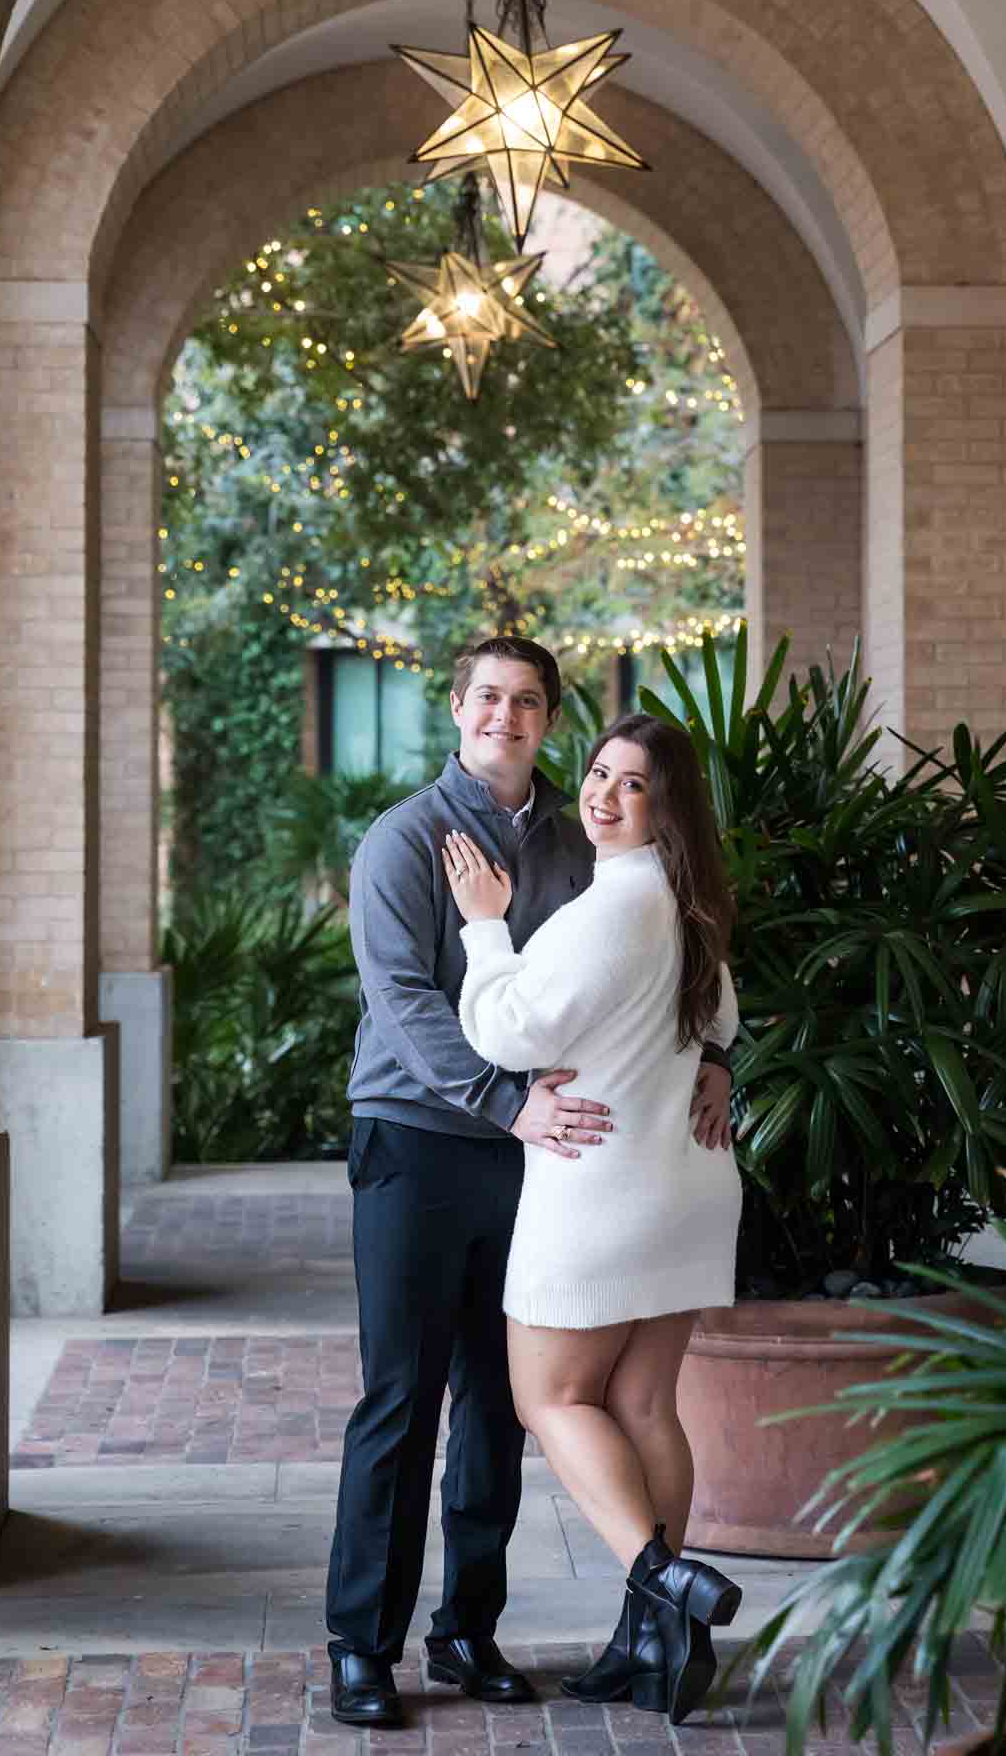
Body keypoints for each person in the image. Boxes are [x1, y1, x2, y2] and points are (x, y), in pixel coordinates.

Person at [325, 642, 734, 1730]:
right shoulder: (405, 838)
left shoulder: (584, 835)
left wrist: (716, 1059)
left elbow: (672, 960)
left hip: (539, 1158)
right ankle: (362, 1644)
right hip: (417, 1141)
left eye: (528, 701)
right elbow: (405, 1000)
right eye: (488, 697)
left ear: (551, 718)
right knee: (400, 1402)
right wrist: (503, 1101)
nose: (506, 715)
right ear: (458, 710)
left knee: (497, 1407)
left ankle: (467, 1628)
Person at [442, 711, 744, 1727]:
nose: (603, 795)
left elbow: (506, 1027)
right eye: (601, 773)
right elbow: (725, 1021)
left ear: (668, 806)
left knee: (548, 1397)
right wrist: (716, 1065)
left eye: (634, 784)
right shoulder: (688, 900)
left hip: (600, 1186)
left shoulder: (611, 905)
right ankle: (651, 1641)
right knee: (646, 1401)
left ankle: (668, 1578)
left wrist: (485, 924)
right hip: (687, 1184)